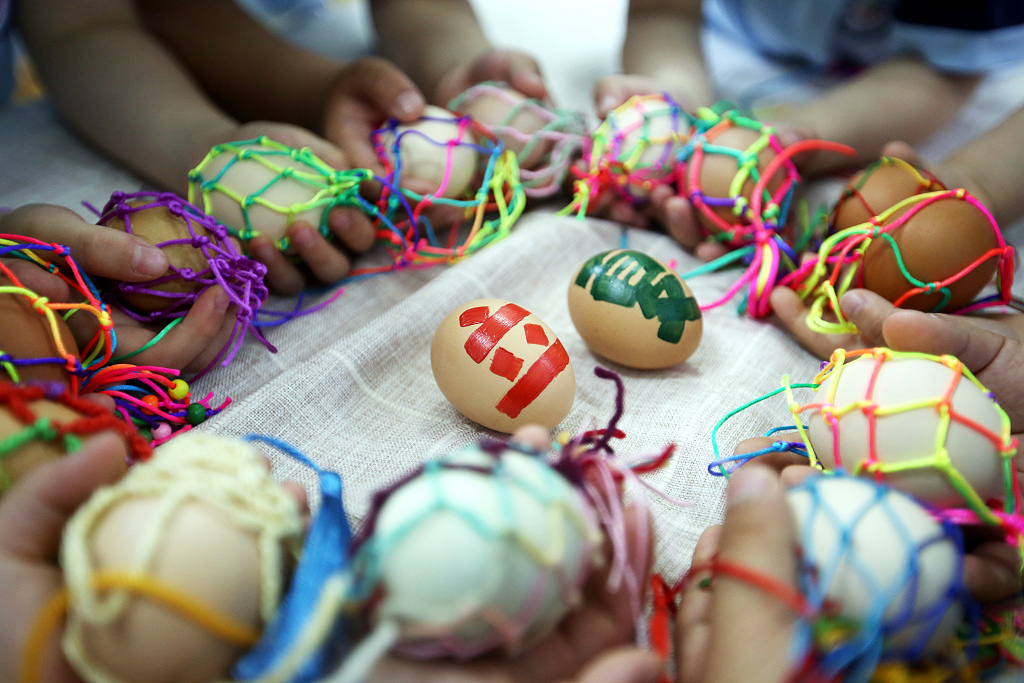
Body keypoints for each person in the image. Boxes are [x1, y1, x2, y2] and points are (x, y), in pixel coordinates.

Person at [593, 0, 1024, 256]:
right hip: (731, 34)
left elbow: (937, 73)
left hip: (915, 62)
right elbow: (664, 13)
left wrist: (804, 134)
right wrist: (675, 89)